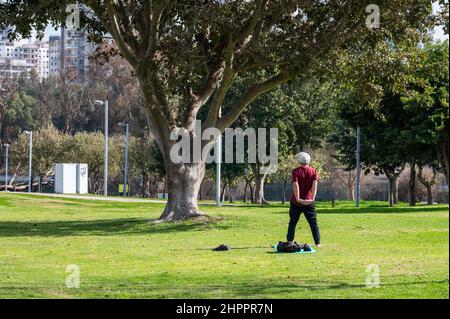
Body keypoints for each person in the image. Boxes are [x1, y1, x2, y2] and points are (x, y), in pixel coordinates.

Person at [287, 152, 321, 247]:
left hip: (296, 202)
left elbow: (295, 185)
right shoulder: (313, 171)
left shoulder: (295, 171)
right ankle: (317, 243)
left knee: (293, 222)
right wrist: (312, 199)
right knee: (313, 223)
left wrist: (298, 198)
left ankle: (290, 241)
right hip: (309, 202)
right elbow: (315, 186)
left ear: (299, 161)